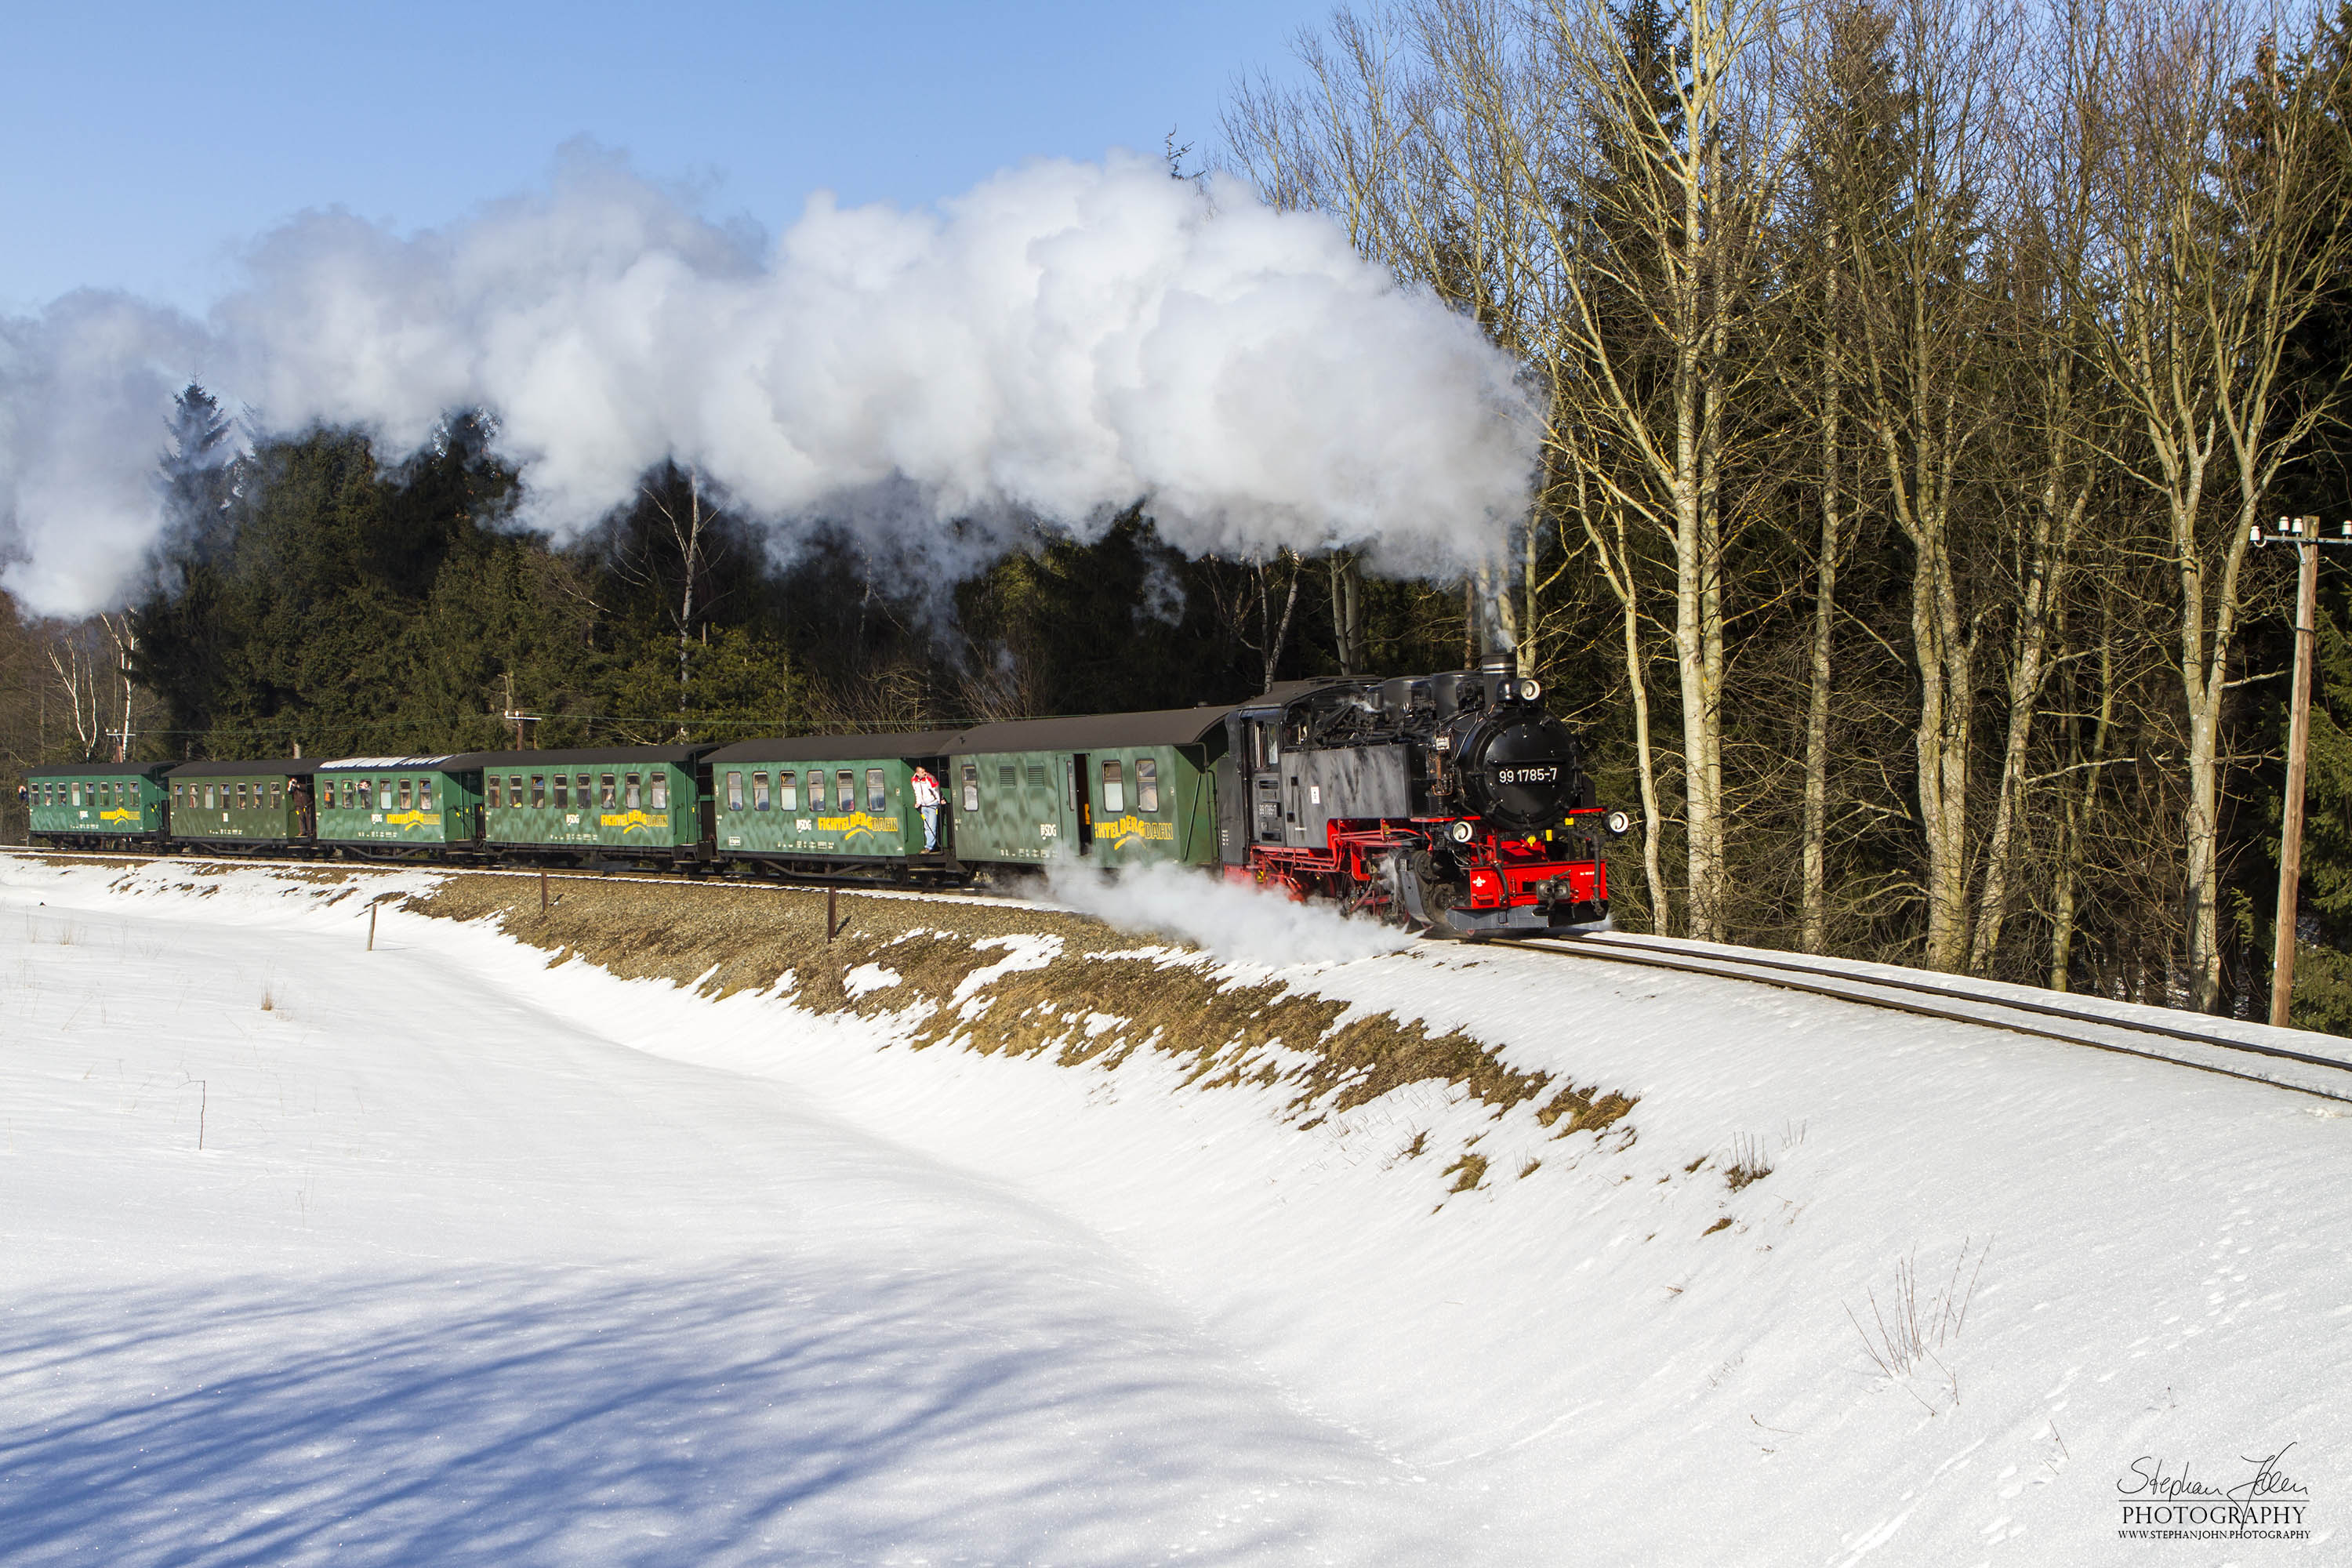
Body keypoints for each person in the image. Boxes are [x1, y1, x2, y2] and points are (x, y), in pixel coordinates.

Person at [910, 765, 942, 852]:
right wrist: (918, 803)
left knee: (932, 826)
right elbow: (917, 793)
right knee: (927, 827)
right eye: (922, 772)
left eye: (924, 771)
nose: (924, 773)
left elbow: (936, 790)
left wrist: (940, 800)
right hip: (924, 806)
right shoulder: (914, 780)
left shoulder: (930, 778)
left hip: (932, 805)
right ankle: (930, 846)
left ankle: (929, 847)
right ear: (917, 773)